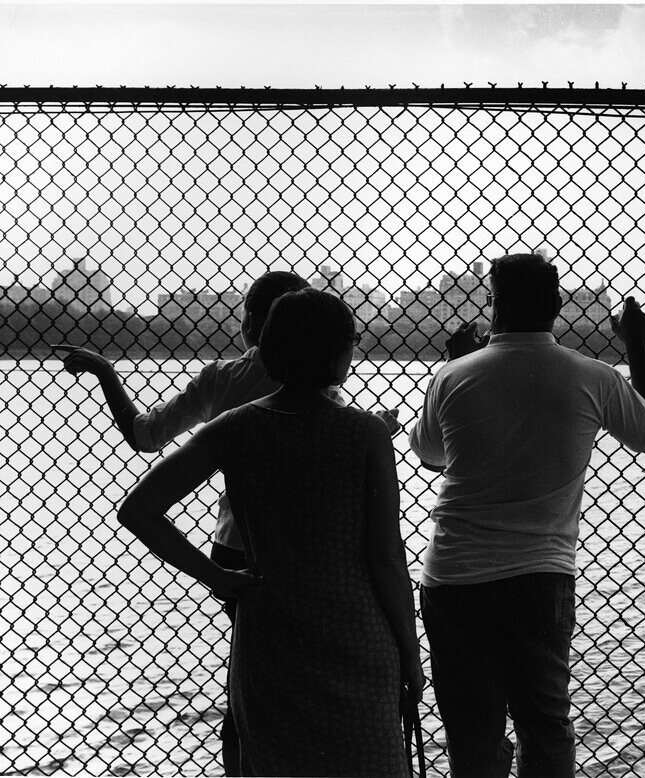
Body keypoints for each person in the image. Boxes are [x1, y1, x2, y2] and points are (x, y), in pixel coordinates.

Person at [54, 269, 398, 774]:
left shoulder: (223, 382)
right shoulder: (341, 408)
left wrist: (109, 373)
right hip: (322, 558)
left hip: (238, 551)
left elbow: (145, 437)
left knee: (256, 678)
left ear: (256, 324)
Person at [408, 253, 645, 778]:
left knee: (471, 729)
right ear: (556, 305)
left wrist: (453, 366)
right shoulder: (591, 376)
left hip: (455, 575)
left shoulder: (453, 375)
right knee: (545, 722)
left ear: (492, 304)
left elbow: (431, 454)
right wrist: (636, 347)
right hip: (540, 575)